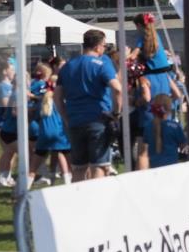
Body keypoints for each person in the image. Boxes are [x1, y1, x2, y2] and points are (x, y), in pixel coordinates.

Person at [55, 29, 123, 182]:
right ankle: (96, 201)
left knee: (79, 168)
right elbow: (117, 89)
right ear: (98, 46)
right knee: (99, 166)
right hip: (98, 120)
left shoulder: (67, 66)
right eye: (104, 46)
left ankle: (78, 201)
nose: (104, 49)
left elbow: (57, 97)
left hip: (75, 120)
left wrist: (66, 117)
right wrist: (116, 113)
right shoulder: (101, 65)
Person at [30, 67, 72, 185]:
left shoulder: (43, 102)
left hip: (44, 134)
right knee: (66, 159)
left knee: (33, 167)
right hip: (59, 133)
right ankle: (68, 182)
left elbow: (36, 116)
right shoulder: (61, 102)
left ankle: (23, 188)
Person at [146, 94, 187, 168]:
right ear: (169, 109)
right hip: (171, 167)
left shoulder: (148, 127)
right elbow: (183, 146)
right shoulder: (175, 127)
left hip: (153, 168)